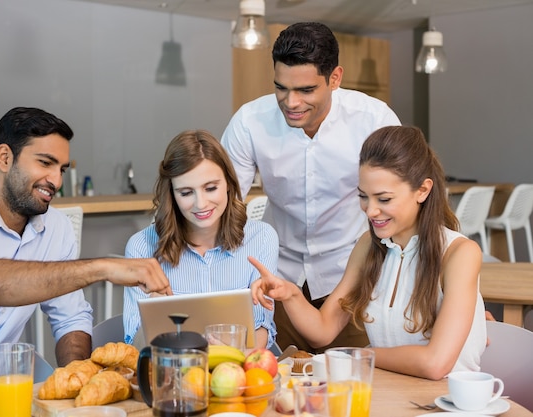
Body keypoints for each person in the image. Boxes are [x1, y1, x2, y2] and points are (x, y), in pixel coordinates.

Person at [0, 107, 171, 417]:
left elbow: (70, 320)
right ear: (5, 158)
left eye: (62, 168)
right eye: (45, 163)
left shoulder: (55, 229)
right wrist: (103, 268)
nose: (56, 180)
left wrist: (77, 382)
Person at [250, 126, 486, 380]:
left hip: (448, 403)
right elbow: (323, 330)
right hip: (389, 395)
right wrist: (291, 294)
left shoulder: (460, 253)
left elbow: (435, 363)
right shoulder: (370, 245)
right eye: (363, 196)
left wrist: (361, 354)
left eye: (383, 199)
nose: (370, 211)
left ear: (422, 190)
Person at [221, 21, 401, 353]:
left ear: (335, 78)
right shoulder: (250, 122)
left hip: (352, 282)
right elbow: (221, 205)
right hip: (280, 280)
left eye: (306, 91)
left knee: (353, 387)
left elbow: (405, 210)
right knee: (279, 387)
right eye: (281, 88)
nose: (290, 103)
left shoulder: (374, 120)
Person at [123, 130, 278, 349]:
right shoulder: (142, 247)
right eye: (186, 193)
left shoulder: (261, 238)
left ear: (229, 183)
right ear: (172, 195)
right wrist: (153, 310)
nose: (201, 204)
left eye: (211, 188)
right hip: (172, 376)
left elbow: (260, 328)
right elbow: (135, 346)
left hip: (240, 374)